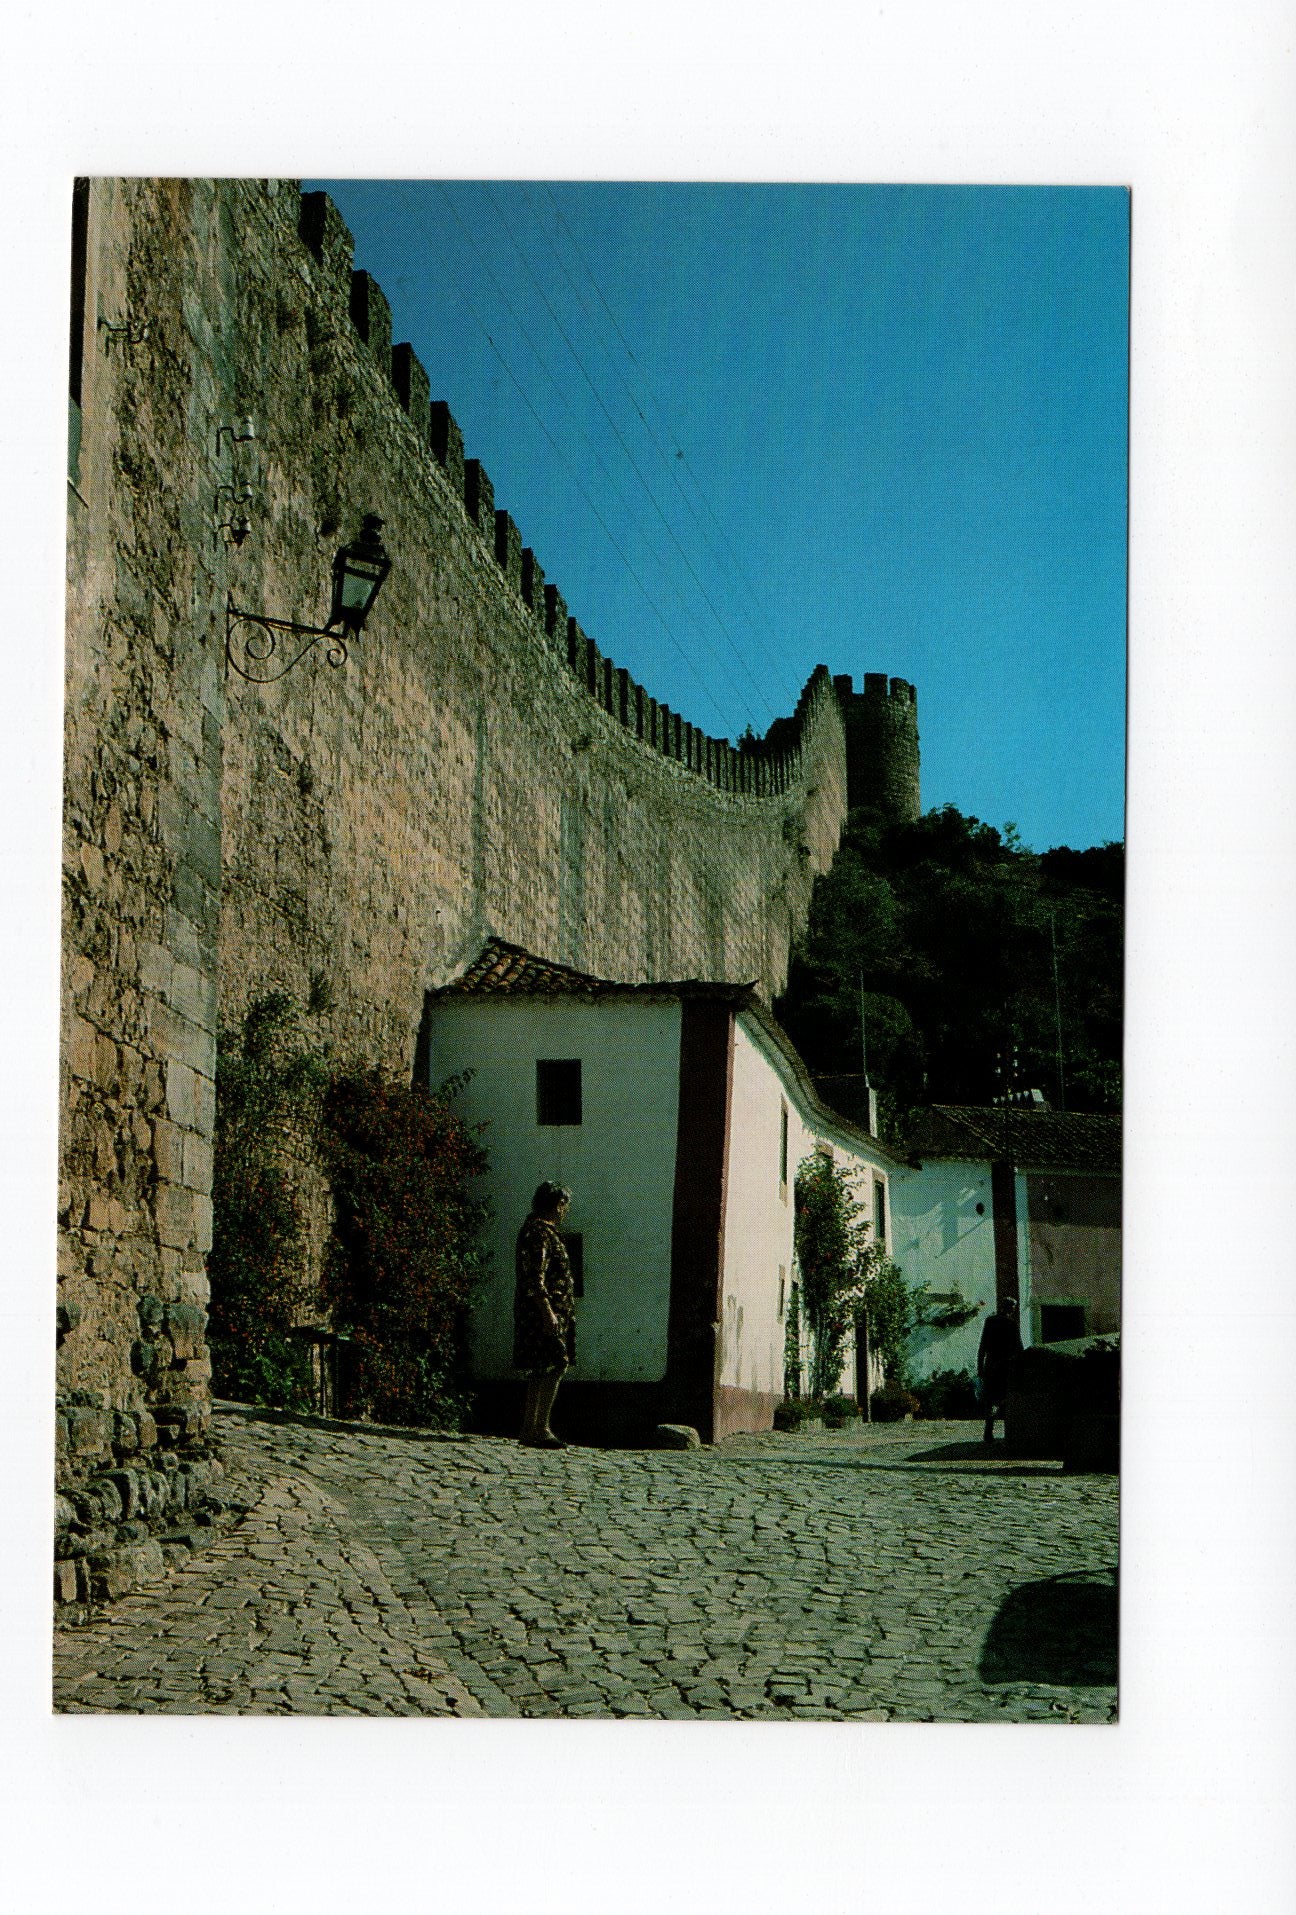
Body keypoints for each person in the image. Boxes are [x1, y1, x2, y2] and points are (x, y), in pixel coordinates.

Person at [513, 1181, 576, 1448]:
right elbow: (535, 1277)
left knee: (547, 1365)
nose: (565, 1211)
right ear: (557, 1204)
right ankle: (537, 1427)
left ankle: (536, 1426)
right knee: (552, 1364)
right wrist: (547, 1312)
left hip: (552, 1312)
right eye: (565, 1205)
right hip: (542, 1313)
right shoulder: (539, 1233)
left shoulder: (545, 1232)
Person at [977, 1295, 1023, 1444]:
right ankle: (1010, 1432)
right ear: (1011, 1309)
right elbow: (1019, 1349)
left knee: (990, 1399)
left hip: (991, 1365)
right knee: (1006, 1398)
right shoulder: (1011, 1325)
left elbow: (982, 1346)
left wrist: (980, 1366)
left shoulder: (990, 1322)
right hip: (1005, 1366)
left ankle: (988, 1429)